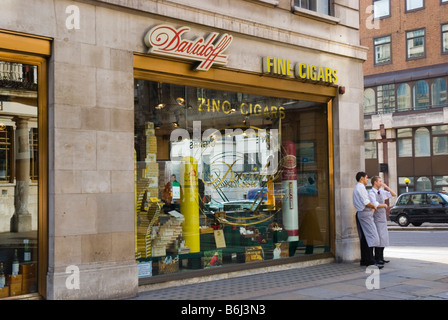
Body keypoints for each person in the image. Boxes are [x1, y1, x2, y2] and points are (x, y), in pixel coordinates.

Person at [352, 172, 383, 269]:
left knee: (365, 238)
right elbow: (366, 202)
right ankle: (371, 262)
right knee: (372, 236)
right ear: (361, 178)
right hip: (365, 213)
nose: (367, 180)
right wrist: (374, 206)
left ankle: (365, 260)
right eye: (366, 178)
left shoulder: (358, 187)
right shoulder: (360, 187)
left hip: (362, 213)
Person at [368, 176, 397, 265]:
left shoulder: (381, 192)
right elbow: (374, 204)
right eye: (380, 181)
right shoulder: (371, 193)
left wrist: (387, 187)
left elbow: (394, 194)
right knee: (379, 238)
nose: (381, 183)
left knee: (383, 238)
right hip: (376, 218)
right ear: (375, 182)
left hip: (382, 218)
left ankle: (381, 257)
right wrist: (384, 205)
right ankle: (377, 258)